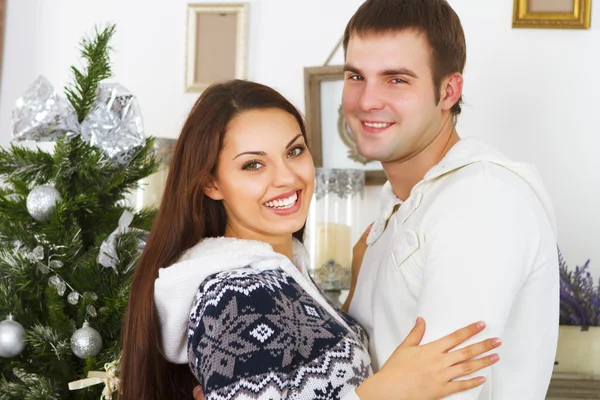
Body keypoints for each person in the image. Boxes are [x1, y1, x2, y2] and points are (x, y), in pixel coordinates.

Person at [119, 79, 501, 400]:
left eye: (294, 151)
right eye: (253, 164)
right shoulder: (235, 295)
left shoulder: (279, 278)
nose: (286, 177)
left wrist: (353, 296)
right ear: (211, 182)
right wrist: (389, 391)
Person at [340, 0, 559, 398]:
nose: (367, 100)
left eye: (396, 79)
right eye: (357, 76)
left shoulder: (480, 200)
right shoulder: (403, 202)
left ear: (449, 90)